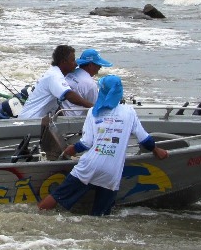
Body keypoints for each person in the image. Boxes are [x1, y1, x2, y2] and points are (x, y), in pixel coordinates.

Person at [37, 75, 168, 216]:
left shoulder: (93, 112)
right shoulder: (129, 111)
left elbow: (86, 143)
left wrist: (72, 149)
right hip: (112, 172)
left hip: (90, 166)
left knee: (58, 195)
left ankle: (36, 215)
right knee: (100, 216)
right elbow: (145, 139)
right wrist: (156, 150)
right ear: (119, 92)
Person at [18, 45, 95, 119]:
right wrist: (94, 107)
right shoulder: (55, 76)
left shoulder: (54, 72)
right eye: (73, 60)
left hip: (35, 118)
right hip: (31, 119)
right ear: (63, 62)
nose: (76, 64)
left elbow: (57, 104)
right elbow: (69, 95)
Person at [61, 48, 113, 115]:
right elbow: (94, 108)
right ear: (90, 65)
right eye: (98, 65)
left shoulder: (69, 74)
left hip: (62, 113)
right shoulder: (90, 84)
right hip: (76, 119)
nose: (99, 68)